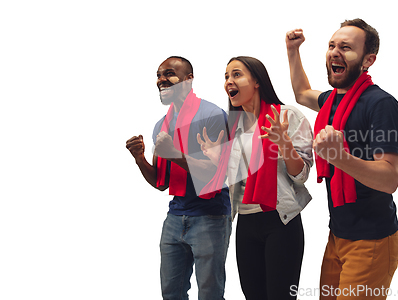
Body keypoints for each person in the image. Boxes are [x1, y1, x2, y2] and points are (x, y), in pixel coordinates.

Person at [285, 19, 398, 299]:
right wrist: (292, 51)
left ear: (368, 60)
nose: (335, 52)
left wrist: (339, 157)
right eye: (332, 46)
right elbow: (303, 93)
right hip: (338, 235)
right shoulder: (332, 100)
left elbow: (390, 178)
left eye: (346, 48)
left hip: (372, 240)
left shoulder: (380, 105)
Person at [197, 56, 314, 300]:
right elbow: (235, 181)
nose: (229, 81)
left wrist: (285, 144)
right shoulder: (233, 127)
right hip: (246, 223)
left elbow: (301, 176)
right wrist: (218, 159)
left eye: (236, 74)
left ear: (257, 81)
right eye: (226, 77)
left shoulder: (287, 117)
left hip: (281, 221)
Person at [125, 56, 231, 300]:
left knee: (210, 294)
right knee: (171, 293)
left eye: (169, 74)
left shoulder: (212, 115)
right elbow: (161, 183)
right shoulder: (160, 125)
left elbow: (216, 174)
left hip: (210, 214)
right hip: (175, 215)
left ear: (188, 79)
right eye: (159, 75)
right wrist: (140, 159)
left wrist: (174, 155)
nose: (161, 80)